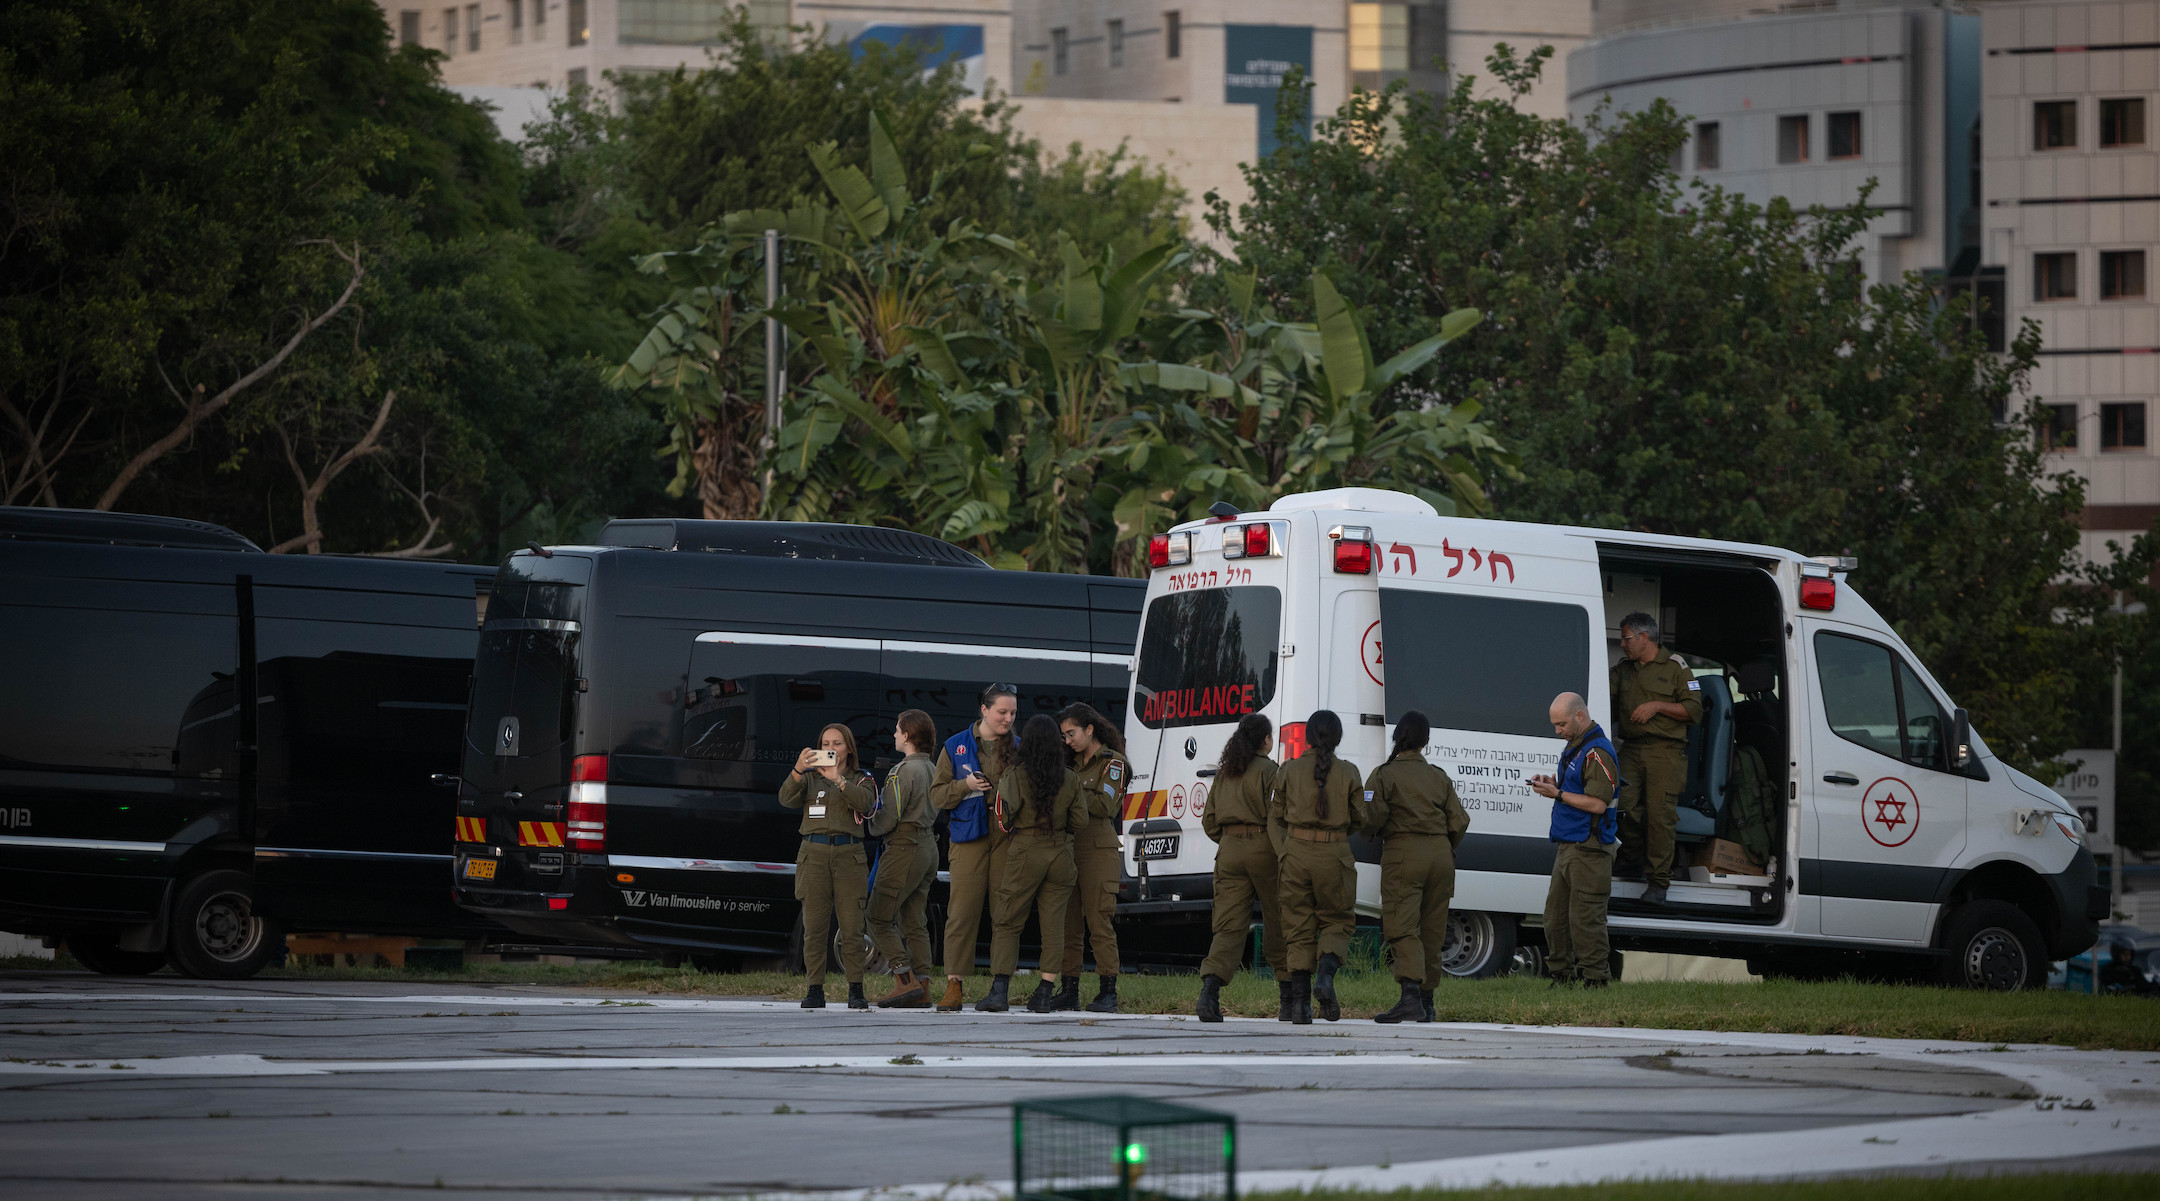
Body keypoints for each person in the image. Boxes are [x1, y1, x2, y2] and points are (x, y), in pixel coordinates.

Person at [1364, 711, 1471, 1024]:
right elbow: (1460, 821)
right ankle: (1427, 1002)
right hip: (1441, 854)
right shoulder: (1438, 776)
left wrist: (1370, 831)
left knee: (1402, 925)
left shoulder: (1384, 774)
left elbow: (1371, 816)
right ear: (1426, 742)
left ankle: (1410, 997)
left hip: (1404, 853)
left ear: (1399, 738)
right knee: (1433, 929)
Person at [1267, 709, 1368, 1024]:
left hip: (1295, 853)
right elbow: (1361, 819)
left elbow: (1275, 815)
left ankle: (1300, 1007)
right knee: (1337, 921)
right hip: (1334, 853)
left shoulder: (1287, 770)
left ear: (1308, 737)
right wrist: (1336, 836)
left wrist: (1285, 851)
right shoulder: (1350, 772)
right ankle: (1324, 977)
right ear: (1337, 738)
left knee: (1297, 926)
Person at [982, 714, 1087, 1013]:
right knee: (1053, 927)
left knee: (1007, 920)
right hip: (1060, 853)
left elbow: (1003, 820)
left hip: (1025, 850)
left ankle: (999, 992)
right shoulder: (1070, 777)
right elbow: (1080, 821)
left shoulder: (1014, 775)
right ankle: (1044, 993)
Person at [1195, 714, 1291, 1023]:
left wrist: (1229, 840)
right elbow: (1278, 816)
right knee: (1279, 919)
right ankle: (1289, 998)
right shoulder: (1269, 770)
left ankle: (1210, 992)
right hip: (1264, 847)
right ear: (1266, 740)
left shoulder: (1225, 772)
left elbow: (1209, 821)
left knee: (1228, 926)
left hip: (1230, 850)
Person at [930, 683, 1020, 1012]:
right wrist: (965, 784)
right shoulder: (956, 747)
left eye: (1012, 712)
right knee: (962, 913)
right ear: (984, 710)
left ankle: (1000, 986)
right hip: (968, 836)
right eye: (1001, 712)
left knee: (1004, 913)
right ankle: (954, 985)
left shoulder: (1020, 748)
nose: (1008, 718)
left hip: (1007, 838)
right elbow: (937, 796)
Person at [780, 723, 877, 1008]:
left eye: (837, 743)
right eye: (825, 743)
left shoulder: (861, 779)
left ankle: (856, 989)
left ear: (848, 748)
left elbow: (867, 804)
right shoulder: (810, 778)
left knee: (852, 926)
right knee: (815, 926)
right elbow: (785, 799)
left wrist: (839, 780)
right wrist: (798, 769)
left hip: (849, 855)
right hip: (814, 854)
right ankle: (814, 989)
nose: (831, 748)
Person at [1609, 611, 1701, 907]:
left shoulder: (1677, 668)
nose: (1622, 644)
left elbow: (1695, 711)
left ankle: (1658, 883)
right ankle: (1631, 859)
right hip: (1632, 749)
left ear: (1643, 637)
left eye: (1625, 638)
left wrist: (1657, 705)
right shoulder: (1624, 670)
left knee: (1660, 818)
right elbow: (1598, 691)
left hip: (1666, 752)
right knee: (1620, 806)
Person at [1530, 692, 1621, 988]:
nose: (1558, 731)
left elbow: (1597, 804)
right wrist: (1553, 784)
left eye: (1561, 724)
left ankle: (1595, 981)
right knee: (1555, 918)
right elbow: (1577, 789)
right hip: (1569, 845)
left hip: (1590, 848)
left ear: (1580, 715)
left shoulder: (1597, 752)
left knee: (1586, 921)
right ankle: (1561, 976)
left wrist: (1557, 794)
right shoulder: (1576, 746)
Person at [1056, 702, 1128, 1013]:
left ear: (1089, 729)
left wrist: (1069, 788)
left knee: (1099, 921)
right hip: (1069, 848)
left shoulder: (1113, 764)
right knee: (1068, 923)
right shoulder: (1069, 764)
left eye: (1072, 733)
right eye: (1064, 736)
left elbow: (1105, 806)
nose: (1068, 741)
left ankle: (1107, 990)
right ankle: (1069, 987)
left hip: (1098, 850)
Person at [870, 709, 940, 1008]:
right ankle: (922, 988)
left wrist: (868, 823)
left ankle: (903, 978)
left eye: (897, 730)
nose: (894, 735)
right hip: (928, 847)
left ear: (908, 735)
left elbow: (887, 818)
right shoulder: (934, 769)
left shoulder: (902, 771)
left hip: (903, 847)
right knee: (914, 921)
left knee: (877, 915)